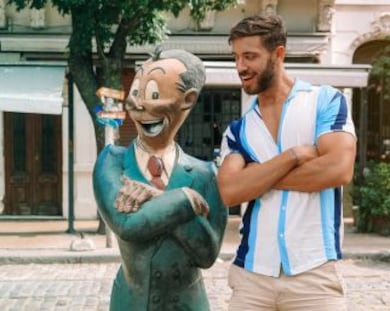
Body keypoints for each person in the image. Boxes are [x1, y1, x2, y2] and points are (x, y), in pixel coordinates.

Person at [217, 14, 356, 311]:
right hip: (251, 278)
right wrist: (292, 157)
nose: (240, 67)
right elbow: (229, 191)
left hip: (315, 275)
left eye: (250, 56)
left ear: (278, 54)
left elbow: (338, 169)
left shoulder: (326, 102)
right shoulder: (238, 130)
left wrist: (256, 177)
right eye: (236, 57)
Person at [93, 48, 227, 311]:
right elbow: (126, 225)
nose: (139, 104)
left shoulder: (204, 174)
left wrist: (156, 197)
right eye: (135, 92)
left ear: (187, 100)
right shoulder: (112, 161)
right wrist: (182, 200)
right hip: (131, 303)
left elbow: (207, 254)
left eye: (153, 94)